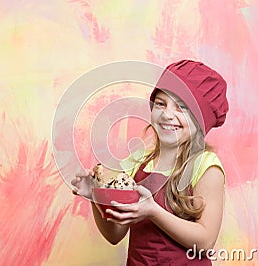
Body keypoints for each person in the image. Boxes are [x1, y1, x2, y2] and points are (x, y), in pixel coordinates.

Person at [71, 59, 229, 265]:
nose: (167, 114)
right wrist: (95, 195)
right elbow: (114, 235)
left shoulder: (205, 167)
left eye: (181, 107)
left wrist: (153, 212)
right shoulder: (137, 161)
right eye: (161, 104)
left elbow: (206, 241)